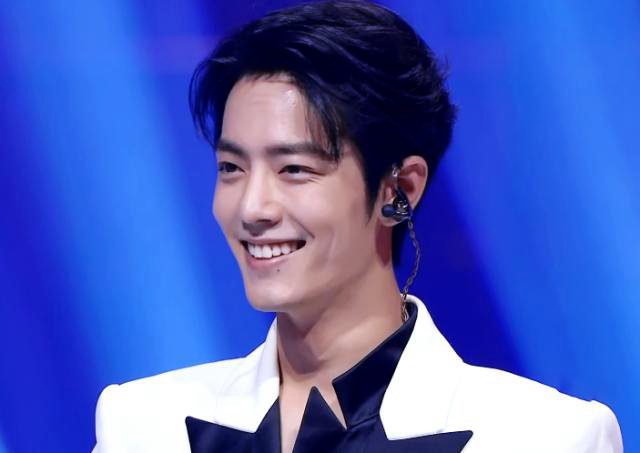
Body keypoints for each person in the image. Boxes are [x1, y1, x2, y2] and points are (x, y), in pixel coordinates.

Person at [92, 1, 623, 452]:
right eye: (231, 168)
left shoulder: (546, 436)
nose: (251, 207)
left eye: (293, 169)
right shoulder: (142, 425)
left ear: (399, 188)